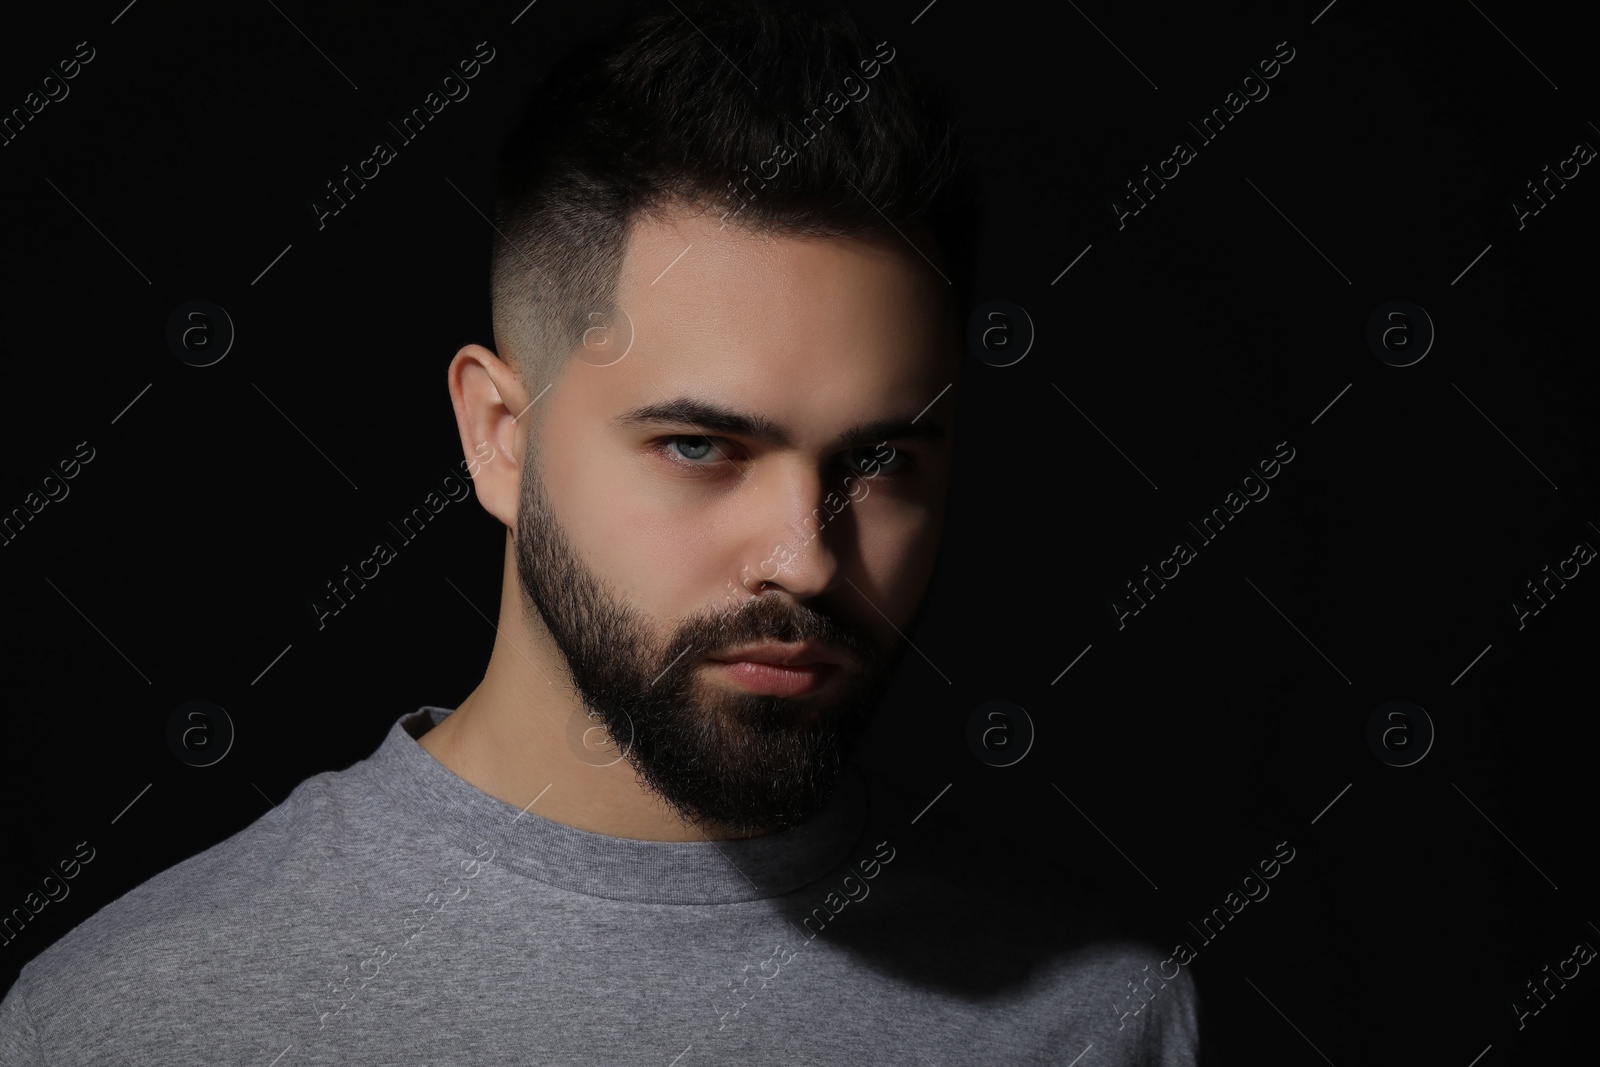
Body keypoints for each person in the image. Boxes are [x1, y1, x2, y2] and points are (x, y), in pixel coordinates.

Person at [0, 1, 1199, 1062]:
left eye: (878, 460)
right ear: (499, 437)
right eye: (699, 446)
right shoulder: (127, 1021)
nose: (804, 553)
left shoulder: (1102, 1018)